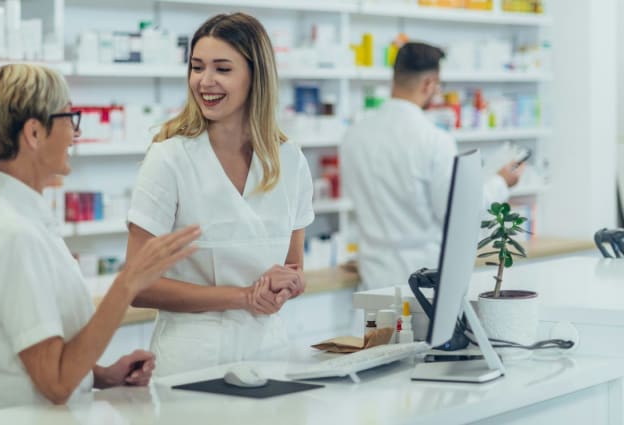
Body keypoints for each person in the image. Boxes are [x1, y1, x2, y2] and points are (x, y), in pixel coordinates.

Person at [0, 64, 200, 415]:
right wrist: (128, 283)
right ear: (35, 133)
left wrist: (101, 375)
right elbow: (54, 383)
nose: (75, 132)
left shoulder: (23, 217)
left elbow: (39, 357)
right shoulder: (12, 234)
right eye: (69, 117)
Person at [125, 12, 314, 377]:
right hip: (191, 361)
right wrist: (244, 296)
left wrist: (288, 286)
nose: (205, 82)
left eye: (222, 69)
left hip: (268, 353)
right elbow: (138, 284)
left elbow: (294, 268)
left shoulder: (289, 160)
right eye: (197, 67)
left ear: (255, 76)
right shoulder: (169, 158)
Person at [341, 42, 524, 291]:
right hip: (423, 282)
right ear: (429, 84)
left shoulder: (354, 136)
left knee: (378, 331)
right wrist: (502, 182)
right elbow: (458, 212)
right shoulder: (434, 140)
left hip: (373, 279)